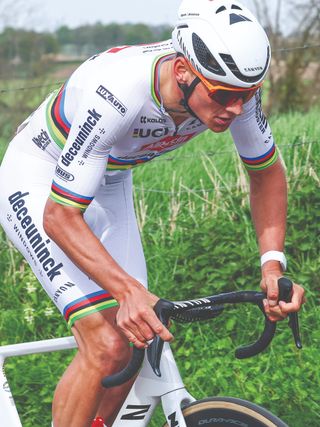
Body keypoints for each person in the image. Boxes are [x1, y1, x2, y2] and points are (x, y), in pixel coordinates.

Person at [0, 0, 305, 426]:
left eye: (248, 94)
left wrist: (272, 265)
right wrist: (125, 292)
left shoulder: (228, 88)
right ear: (182, 71)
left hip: (108, 179)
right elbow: (59, 217)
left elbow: (267, 172)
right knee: (106, 342)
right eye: (225, 95)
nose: (236, 108)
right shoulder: (118, 90)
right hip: (40, 178)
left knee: (138, 335)